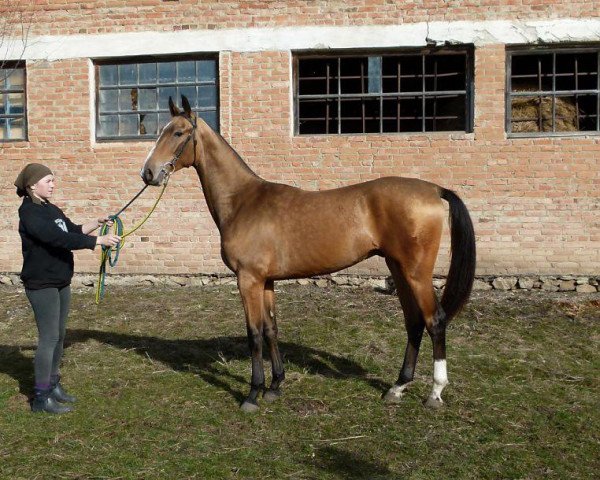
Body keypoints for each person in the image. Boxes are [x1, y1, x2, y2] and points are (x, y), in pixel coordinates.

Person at [14, 163, 121, 414]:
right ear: (32, 185)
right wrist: (97, 242)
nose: (53, 185)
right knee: (49, 337)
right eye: (48, 180)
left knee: (60, 336)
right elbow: (57, 239)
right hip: (42, 284)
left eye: (53, 180)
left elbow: (71, 231)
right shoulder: (29, 213)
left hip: (61, 281)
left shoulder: (50, 209)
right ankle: (41, 397)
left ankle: (52, 385)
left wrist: (96, 223)